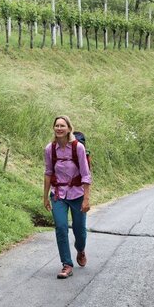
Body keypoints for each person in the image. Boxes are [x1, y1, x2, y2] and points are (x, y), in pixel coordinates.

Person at [43, 115, 91, 279]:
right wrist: (44, 197)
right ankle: (66, 264)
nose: (59, 128)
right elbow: (48, 173)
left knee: (79, 231)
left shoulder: (78, 148)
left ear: (69, 128)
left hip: (77, 194)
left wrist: (86, 198)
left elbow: (86, 175)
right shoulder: (50, 148)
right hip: (58, 195)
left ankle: (81, 249)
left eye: (62, 125)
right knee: (61, 227)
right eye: (56, 125)